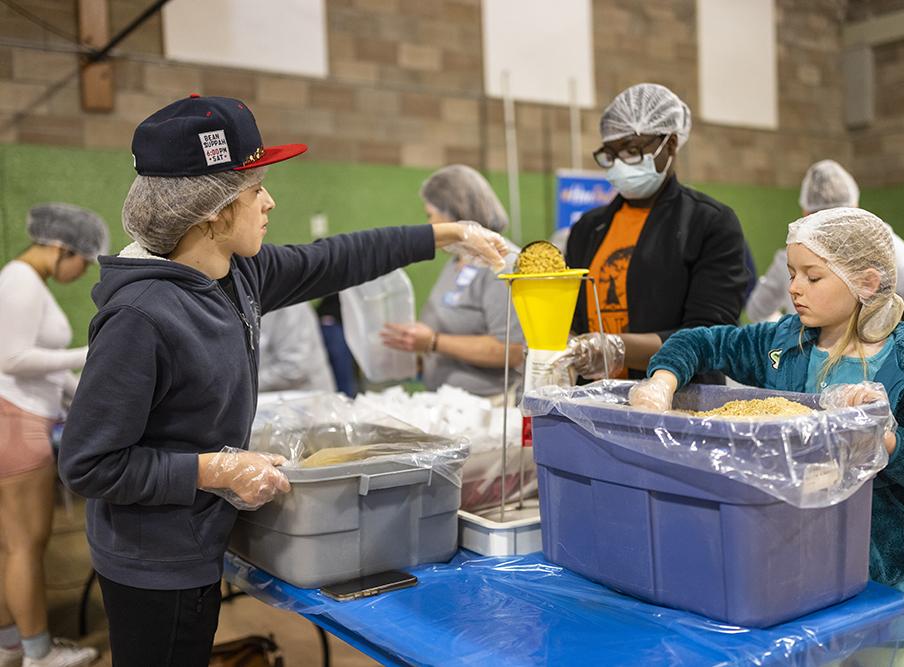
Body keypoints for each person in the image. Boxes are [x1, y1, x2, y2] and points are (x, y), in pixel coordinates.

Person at [56, 95, 507, 667]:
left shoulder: (235, 273)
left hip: (198, 540)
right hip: (154, 562)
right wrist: (214, 468)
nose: (270, 200)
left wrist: (444, 236)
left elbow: (334, 258)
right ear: (211, 210)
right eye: (254, 189)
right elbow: (89, 464)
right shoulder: (142, 317)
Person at [631, 207, 904, 619]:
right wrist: (661, 381)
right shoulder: (783, 345)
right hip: (792, 558)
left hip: (876, 570)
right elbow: (702, 341)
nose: (794, 288)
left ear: (866, 282)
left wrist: (886, 439)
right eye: (791, 273)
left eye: (812, 276)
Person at [558, 83, 749, 381]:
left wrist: (616, 348)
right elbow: (573, 317)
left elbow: (711, 336)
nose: (620, 164)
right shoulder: (588, 228)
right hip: (595, 400)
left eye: (632, 151)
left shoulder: (709, 223)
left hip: (676, 399)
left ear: (670, 145)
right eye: (611, 154)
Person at [0, 203, 108, 667]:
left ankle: (10, 644)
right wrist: (89, 352)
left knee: (10, 544)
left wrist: (80, 390)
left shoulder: (22, 280)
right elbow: (12, 358)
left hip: (17, 418)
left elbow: (35, 365)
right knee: (26, 544)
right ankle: (38, 654)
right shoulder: (21, 280)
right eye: (83, 261)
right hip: (16, 425)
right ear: (63, 248)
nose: (82, 270)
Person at [746, 159, 904, 334]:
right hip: (870, 368)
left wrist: (786, 331)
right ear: (854, 205)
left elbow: (757, 310)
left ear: (805, 211)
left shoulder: (791, 256)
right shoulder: (881, 242)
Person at [381, 165, 525, 397]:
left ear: (453, 213)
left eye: (431, 215)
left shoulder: (501, 263)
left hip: (491, 407)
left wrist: (433, 342)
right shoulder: (458, 261)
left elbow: (514, 350)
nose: (429, 225)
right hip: (453, 404)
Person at [258, 302, 335, 394]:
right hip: (270, 398)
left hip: (304, 397)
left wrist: (246, 385)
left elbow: (294, 368)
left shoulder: (290, 307)